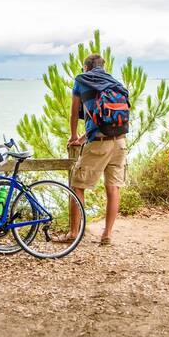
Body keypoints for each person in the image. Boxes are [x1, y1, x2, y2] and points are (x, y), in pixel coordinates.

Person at [64, 54, 128, 246]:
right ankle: (107, 234)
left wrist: (74, 136)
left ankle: (74, 233)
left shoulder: (82, 80)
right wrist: (85, 137)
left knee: (77, 185)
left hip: (99, 143)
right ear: (103, 66)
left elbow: (75, 112)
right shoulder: (115, 83)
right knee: (113, 188)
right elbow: (104, 117)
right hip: (120, 141)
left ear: (86, 67)